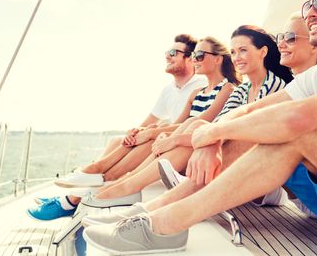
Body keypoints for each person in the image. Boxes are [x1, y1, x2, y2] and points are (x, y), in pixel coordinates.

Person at [83, 0, 317, 256]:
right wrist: (214, 134)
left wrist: (207, 135)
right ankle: (152, 211)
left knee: (301, 129)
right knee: (248, 126)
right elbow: (251, 109)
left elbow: (299, 120)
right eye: (308, 5)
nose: (311, 12)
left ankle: (165, 226)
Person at [81, 23, 296, 222]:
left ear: (263, 52)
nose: (237, 57)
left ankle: (127, 189)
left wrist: (176, 141)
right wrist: (183, 137)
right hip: (233, 166)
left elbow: (251, 133)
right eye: (233, 51)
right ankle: (125, 186)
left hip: (262, 178)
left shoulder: (275, 86)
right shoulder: (242, 89)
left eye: (243, 50)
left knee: (197, 130)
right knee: (196, 125)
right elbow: (218, 125)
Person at [27, 34, 206, 220]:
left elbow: (186, 124)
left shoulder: (200, 85)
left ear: (190, 58)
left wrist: (150, 132)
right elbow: (152, 118)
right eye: (167, 52)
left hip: (174, 147)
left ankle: (71, 200)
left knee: (129, 155)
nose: (167, 56)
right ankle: (82, 187)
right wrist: (134, 131)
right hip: (161, 138)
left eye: (173, 53)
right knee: (118, 141)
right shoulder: (169, 89)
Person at [80, 36, 240, 207]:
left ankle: (119, 180)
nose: (195, 60)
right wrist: (158, 132)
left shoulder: (227, 89)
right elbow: (178, 124)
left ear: (217, 59)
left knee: (186, 124)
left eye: (199, 55)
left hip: (201, 151)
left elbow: (202, 123)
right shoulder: (197, 93)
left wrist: (160, 135)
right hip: (187, 144)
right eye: (193, 56)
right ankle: (119, 179)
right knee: (160, 127)